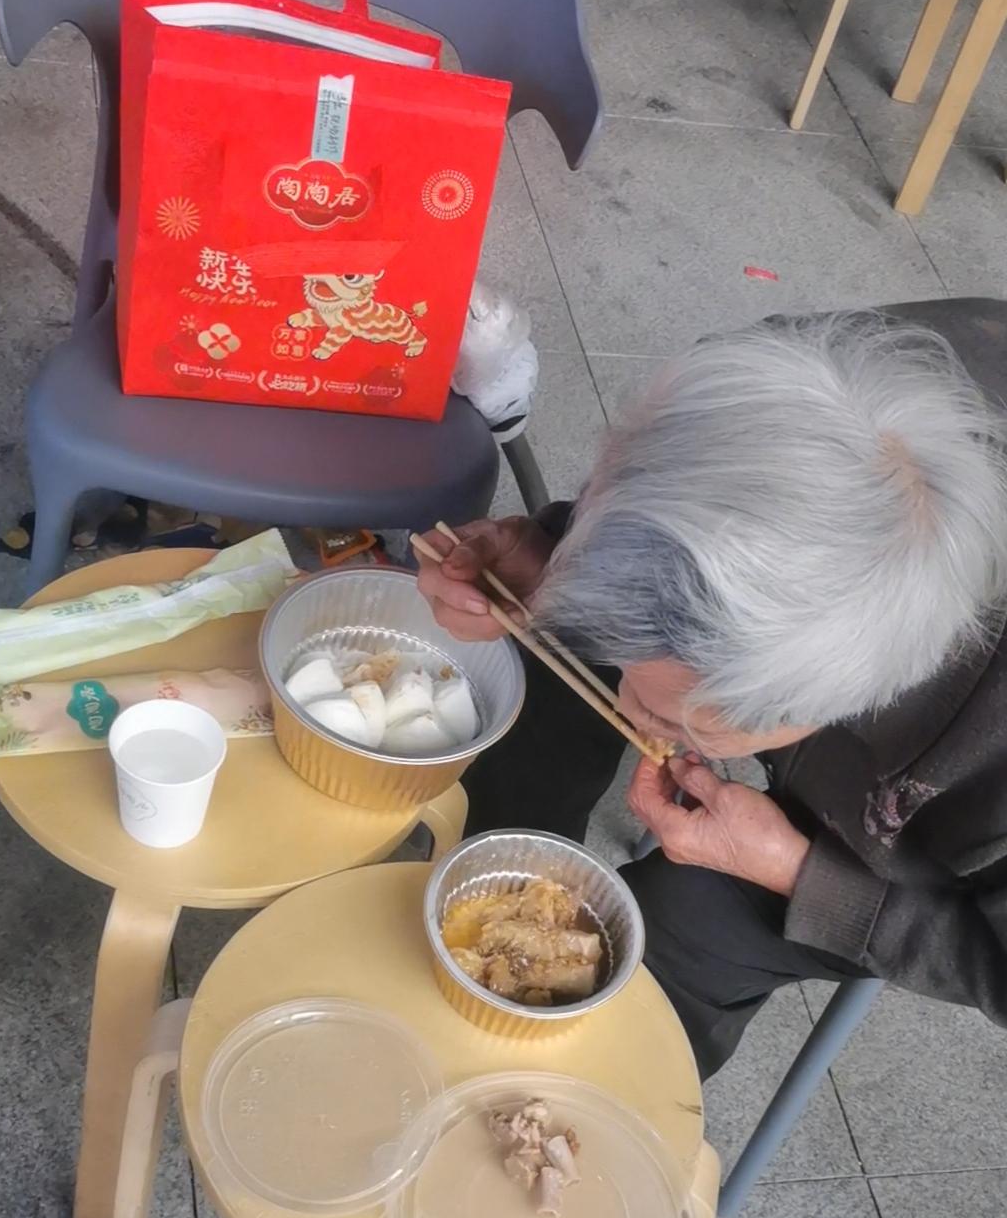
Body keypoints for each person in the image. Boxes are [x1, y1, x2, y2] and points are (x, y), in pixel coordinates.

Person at [416, 315, 1007, 1080]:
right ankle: (481, 875)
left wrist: (798, 870)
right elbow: (658, 558)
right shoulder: (769, 395)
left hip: (894, 858)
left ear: (846, 698)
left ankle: (525, 1098)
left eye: (670, 717)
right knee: (543, 676)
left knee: (674, 930)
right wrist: (548, 564)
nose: (629, 706)